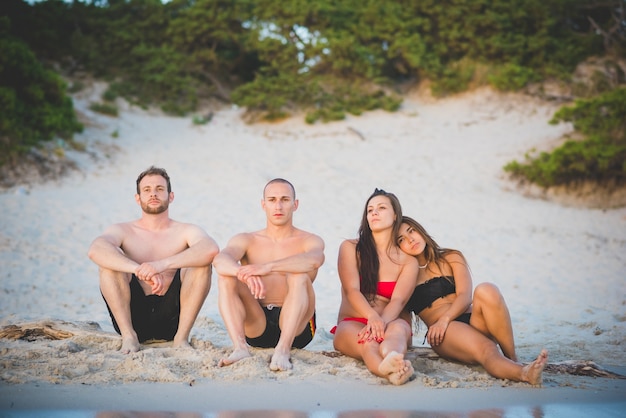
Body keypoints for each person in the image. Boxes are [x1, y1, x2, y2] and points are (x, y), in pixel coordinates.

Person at [397, 216, 548, 385]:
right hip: (445, 335)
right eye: (401, 239)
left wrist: (444, 319)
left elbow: (464, 295)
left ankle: (512, 358)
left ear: (420, 230)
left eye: (411, 231)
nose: (410, 240)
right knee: (487, 349)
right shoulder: (405, 277)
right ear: (398, 248)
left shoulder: (451, 257)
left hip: (470, 320)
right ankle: (524, 374)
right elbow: (403, 319)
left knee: (486, 289)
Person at [88, 166, 219, 354]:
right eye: (147, 190)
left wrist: (160, 265)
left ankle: (181, 339)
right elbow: (96, 250)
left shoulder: (185, 230)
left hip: (173, 320)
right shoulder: (124, 230)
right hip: (133, 318)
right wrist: (138, 269)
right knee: (109, 265)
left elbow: (210, 249)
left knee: (201, 264)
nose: (153, 194)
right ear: (138, 198)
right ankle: (129, 337)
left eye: (159, 189)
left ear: (170, 196)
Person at [213, 178, 325, 371]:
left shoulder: (309, 240)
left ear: (295, 204)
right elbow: (220, 260)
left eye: (285, 199)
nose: (278, 206)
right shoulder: (247, 239)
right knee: (226, 277)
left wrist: (268, 267)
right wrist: (242, 272)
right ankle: (240, 348)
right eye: (272, 200)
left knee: (298, 275)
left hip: (298, 327)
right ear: (263, 205)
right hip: (257, 322)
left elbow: (315, 259)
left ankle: (283, 350)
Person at [332, 189, 419, 385]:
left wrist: (380, 323)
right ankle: (386, 371)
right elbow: (351, 290)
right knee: (368, 344)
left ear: (395, 215)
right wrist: (371, 318)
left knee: (395, 335)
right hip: (353, 321)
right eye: (370, 210)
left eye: (381, 208)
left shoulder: (408, 261)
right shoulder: (351, 248)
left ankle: (394, 360)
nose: (374, 213)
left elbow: (398, 300)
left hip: (393, 320)